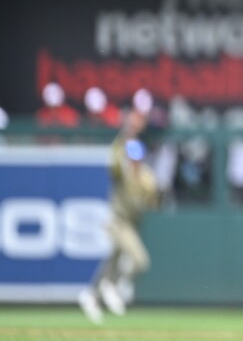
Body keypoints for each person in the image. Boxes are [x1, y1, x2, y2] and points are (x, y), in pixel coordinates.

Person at [79, 109, 160, 324]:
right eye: (131, 158)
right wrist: (126, 134)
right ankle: (114, 287)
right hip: (117, 222)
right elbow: (114, 160)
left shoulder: (147, 177)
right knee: (140, 260)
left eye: (137, 158)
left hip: (132, 224)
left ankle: (92, 295)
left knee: (112, 261)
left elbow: (154, 200)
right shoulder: (122, 173)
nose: (134, 162)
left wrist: (153, 197)